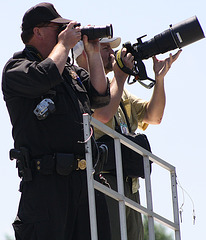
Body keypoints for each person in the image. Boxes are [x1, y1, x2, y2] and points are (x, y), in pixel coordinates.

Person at [2, 2, 112, 240]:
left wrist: (93, 53)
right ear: (37, 32)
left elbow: (100, 95)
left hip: (84, 183)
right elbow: (45, 76)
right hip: (47, 187)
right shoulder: (17, 68)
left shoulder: (69, 72)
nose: (64, 33)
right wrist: (63, 44)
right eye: (57, 28)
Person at [73, 37, 181, 240]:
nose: (112, 54)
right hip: (104, 183)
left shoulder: (118, 91)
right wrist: (120, 77)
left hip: (129, 184)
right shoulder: (80, 87)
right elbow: (103, 115)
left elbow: (154, 116)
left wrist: (159, 79)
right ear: (85, 53)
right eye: (104, 48)